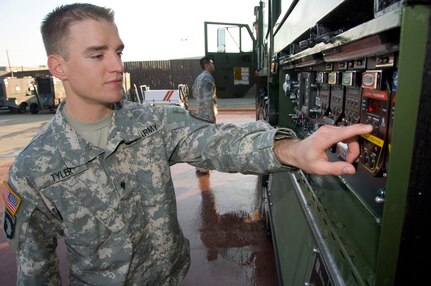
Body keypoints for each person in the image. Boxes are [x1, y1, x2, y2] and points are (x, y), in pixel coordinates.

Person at [1, 3, 372, 286]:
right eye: (98, 55)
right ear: (58, 67)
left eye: (119, 51)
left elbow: (218, 141)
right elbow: (36, 271)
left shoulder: (152, 123)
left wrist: (294, 150)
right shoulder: (34, 170)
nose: (116, 65)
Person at [192, 56, 218, 173]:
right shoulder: (207, 77)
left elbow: (194, 92)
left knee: (201, 139)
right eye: (212, 63)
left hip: (199, 112)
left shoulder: (199, 77)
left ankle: (199, 165)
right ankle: (204, 167)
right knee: (208, 139)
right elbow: (208, 98)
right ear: (206, 64)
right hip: (206, 114)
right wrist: (211, 114)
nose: (213, 65)